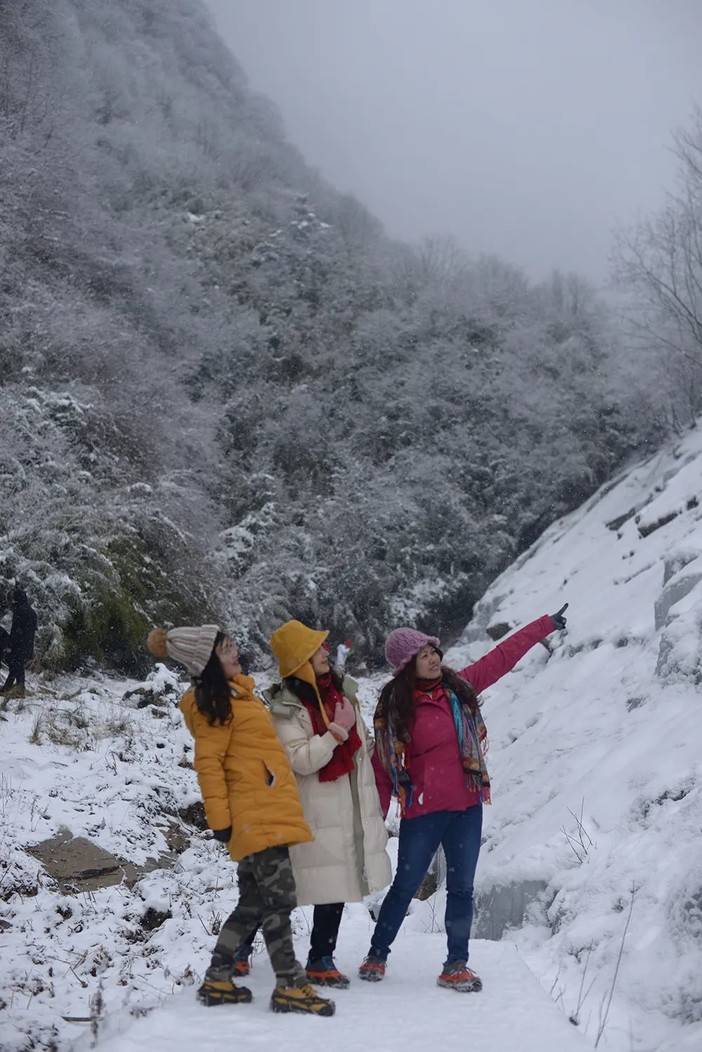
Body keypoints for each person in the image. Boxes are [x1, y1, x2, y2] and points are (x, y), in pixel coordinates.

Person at [359, 605, 569, 992]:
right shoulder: (396, 708)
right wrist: (374, 820)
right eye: (423, 655)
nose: (433, 659)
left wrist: (544, 625)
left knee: (461, 888)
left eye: (433, 651)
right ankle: (377, 953)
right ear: (407, 666)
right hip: (423, 811)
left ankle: (456, 964)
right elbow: (383, 769)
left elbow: (501, 658)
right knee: (405, 885)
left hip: (466, 808)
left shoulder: (458, 689)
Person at [146, 624, 335, 1017]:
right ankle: (290, 985)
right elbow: (209, 765)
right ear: (207, 662)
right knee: (279, 899)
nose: (235, 653)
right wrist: (221, 821)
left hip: (264, 810)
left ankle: (218, 978)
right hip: (256, 816)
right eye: (226, 650)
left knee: (253, 902)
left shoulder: (236, 696)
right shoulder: (215, 705)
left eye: (233, 646)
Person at [233, 621, 391, 987]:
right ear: (299, 660)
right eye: (316, 649)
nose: (325, 652)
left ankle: (321, 958)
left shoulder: (342, 694)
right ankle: (238, 948)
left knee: (335, 881)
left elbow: (361, 746)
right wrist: (337, 732)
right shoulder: (286, 709)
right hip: (303, 810)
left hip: (344, 804)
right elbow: (301, 760)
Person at [0, 587, 38, 699]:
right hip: (28, 645)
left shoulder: (19, 611)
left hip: (18, 644)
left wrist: (10, 645)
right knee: (16, 665)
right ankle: (8, 687)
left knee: (16, 665)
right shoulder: (32, 612)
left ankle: (20, 688)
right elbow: (32, 631)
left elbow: (16, 630)